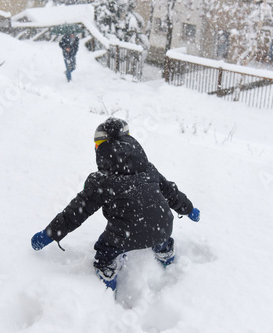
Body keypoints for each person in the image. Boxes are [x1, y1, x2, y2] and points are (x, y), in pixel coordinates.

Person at [31, 118, 200, 291]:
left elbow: (75, 213)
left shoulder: (102, 181)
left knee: (105, 251)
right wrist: (190, 209)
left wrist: (49, 234)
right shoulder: (148, 169)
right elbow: (171, 193)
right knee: (158, 232)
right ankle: (165, 253)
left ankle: (107, 281)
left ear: (102, 149)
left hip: (125, 236)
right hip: (162, 227)